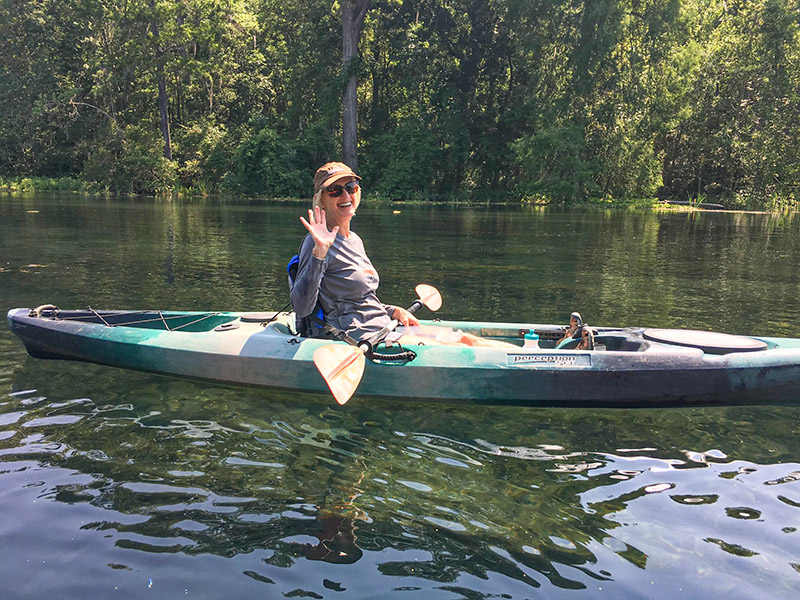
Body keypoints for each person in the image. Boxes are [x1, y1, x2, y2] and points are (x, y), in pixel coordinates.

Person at [290, 162, 515, 348]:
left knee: (468, 339)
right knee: (462, 342)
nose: (345, 194)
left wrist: (393, 310)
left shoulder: (355, 240)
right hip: (357, 336)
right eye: (334, 190)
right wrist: (320, 252)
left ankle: (544, 360)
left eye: (350, 186)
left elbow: (360, 299)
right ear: (321, 199)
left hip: (380, 325)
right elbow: (302, 308)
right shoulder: (316, 242)